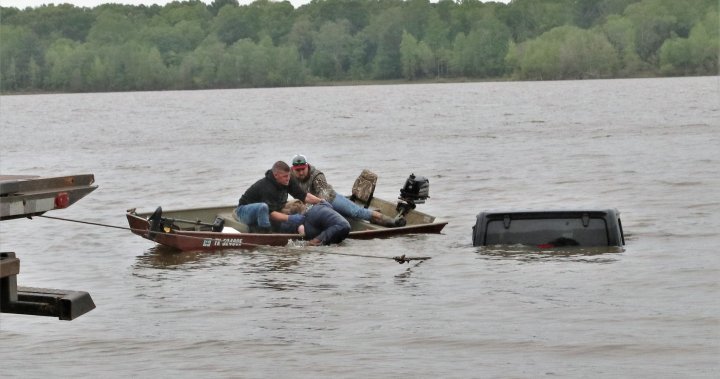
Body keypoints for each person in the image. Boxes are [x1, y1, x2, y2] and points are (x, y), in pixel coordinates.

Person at [290, 154, 403, 227]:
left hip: (330, 199)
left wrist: (308, 207)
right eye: (297, 170)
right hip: (312, 205)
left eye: (302, 169)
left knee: (356, 212)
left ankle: (389, 220)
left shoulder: (317, 176)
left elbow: (323, 196)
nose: (300, 173)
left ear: (307, 166)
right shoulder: (290, 176)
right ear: (292, 169)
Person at [235, 161, 322, 233]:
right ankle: (265, 234)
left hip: (271, 209)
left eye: (289, 175)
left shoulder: (288, 179)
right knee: (263, 208)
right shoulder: (267, 187)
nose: (288, 178)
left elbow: (304, 196)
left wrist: (321, 202)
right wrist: (290, 218)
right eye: (285, 176)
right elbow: (271, 213)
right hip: (243, 211)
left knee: (297, 205)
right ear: (276, 175)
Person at [281, 199, 351, 246]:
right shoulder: (318, 207)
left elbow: (343, 225)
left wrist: (315, 241)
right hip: (342, 228)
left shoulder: (309, 217)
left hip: (340, 226)